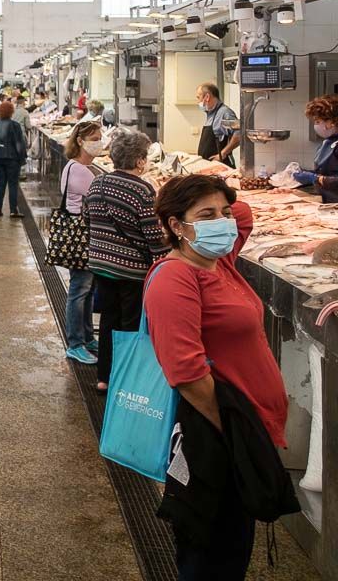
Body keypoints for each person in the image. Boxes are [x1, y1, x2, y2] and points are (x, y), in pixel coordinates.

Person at [146, 174, 289, 579]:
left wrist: (219, 200)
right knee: (212, 556)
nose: (223, 222)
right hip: (217, 438)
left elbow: (242, 215)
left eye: (222, 213)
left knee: (232, 549)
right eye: (206, 215)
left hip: (243, 429)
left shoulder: (217, 261)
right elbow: (186, 372)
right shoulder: (175, 278)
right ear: (176, 225)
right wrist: (235, 435)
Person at [84, 129, 168, 392]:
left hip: (101, 265)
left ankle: (104, 377)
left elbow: (87, 218)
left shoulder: (98, 182)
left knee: (108, 320)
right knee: (131, 325)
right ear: (140, 161)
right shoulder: (142, 189)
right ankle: (126, 380)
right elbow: (153, 235)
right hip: (132, 271)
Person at [61, 121, 104, 365]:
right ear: (80, 141)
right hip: (82, 236)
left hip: (80, 234)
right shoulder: (80, 170)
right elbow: (99, 198)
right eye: (94, 138)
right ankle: (75, 343)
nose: (98, 142)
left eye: (99, 137)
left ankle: (87, 336)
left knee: (86, 290)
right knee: (79, 290)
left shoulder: (76, 166)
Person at [293, 94, 338, 202]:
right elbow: (326, 171)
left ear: (332, 122)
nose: (316, 126)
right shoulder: (328, 142)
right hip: (328, 202)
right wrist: (306, 174)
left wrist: (316, 178)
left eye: (318, 122)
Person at [0, 101, 27, 218]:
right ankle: (13, 210)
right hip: (12, 159)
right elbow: (19, 143)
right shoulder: (15, 125)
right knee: (13, 184)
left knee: (0, 184)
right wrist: (22, 158)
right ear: (11, 112)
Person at [195, 83, 239, 167]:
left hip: (222, 166)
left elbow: (239, 134)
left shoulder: (225, 113)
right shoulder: (210, 114)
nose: (198, 101)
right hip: (210, 166)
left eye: (198, 97)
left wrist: (222, 153)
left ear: (207, 97)